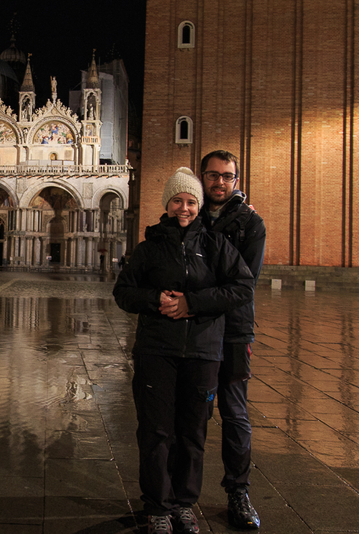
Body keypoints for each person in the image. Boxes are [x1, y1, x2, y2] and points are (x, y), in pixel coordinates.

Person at [114, 167, 254, 534]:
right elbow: (123, 292)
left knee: (193, 433)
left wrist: (193, 303)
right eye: (177, 200)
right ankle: (158, 506)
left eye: (191, 201)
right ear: (167, 203)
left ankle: (184, 504)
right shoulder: (148, 249)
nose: (184, 208)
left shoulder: (215, 245)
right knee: (156, 431)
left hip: (203, 352)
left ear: (199, 205)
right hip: (156, 351)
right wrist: (154, 298)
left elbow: (242, 287)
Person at [198, 150, 265, 530]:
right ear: (202, 177)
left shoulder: (251, 223)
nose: (219, 182)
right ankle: (180, 494)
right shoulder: (189, 216)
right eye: (213, 175)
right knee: (196, 413)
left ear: (236, 181)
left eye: (227, 176)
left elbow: (244, 284)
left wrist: (195, 298)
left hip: (235, 330)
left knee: (235, 413)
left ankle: (238, 492)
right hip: (198, 331)